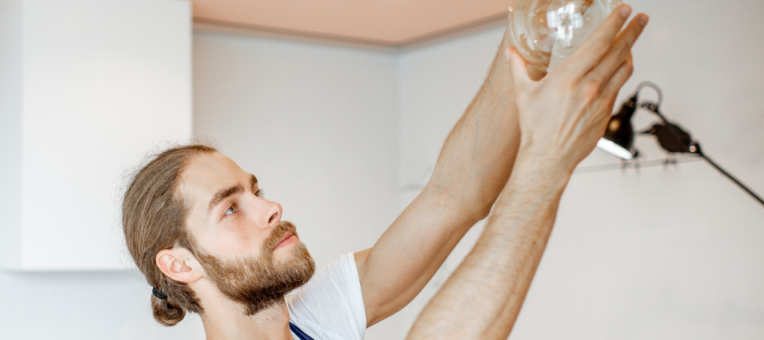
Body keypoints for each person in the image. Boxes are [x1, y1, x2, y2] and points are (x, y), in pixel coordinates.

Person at [121, 5, 648, 340]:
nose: (270, 208)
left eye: (256, 191)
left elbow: (452, 194)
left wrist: (529, 37)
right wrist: (543, 167)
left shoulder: (311, 320)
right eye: (231, 207)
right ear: (179, 264)